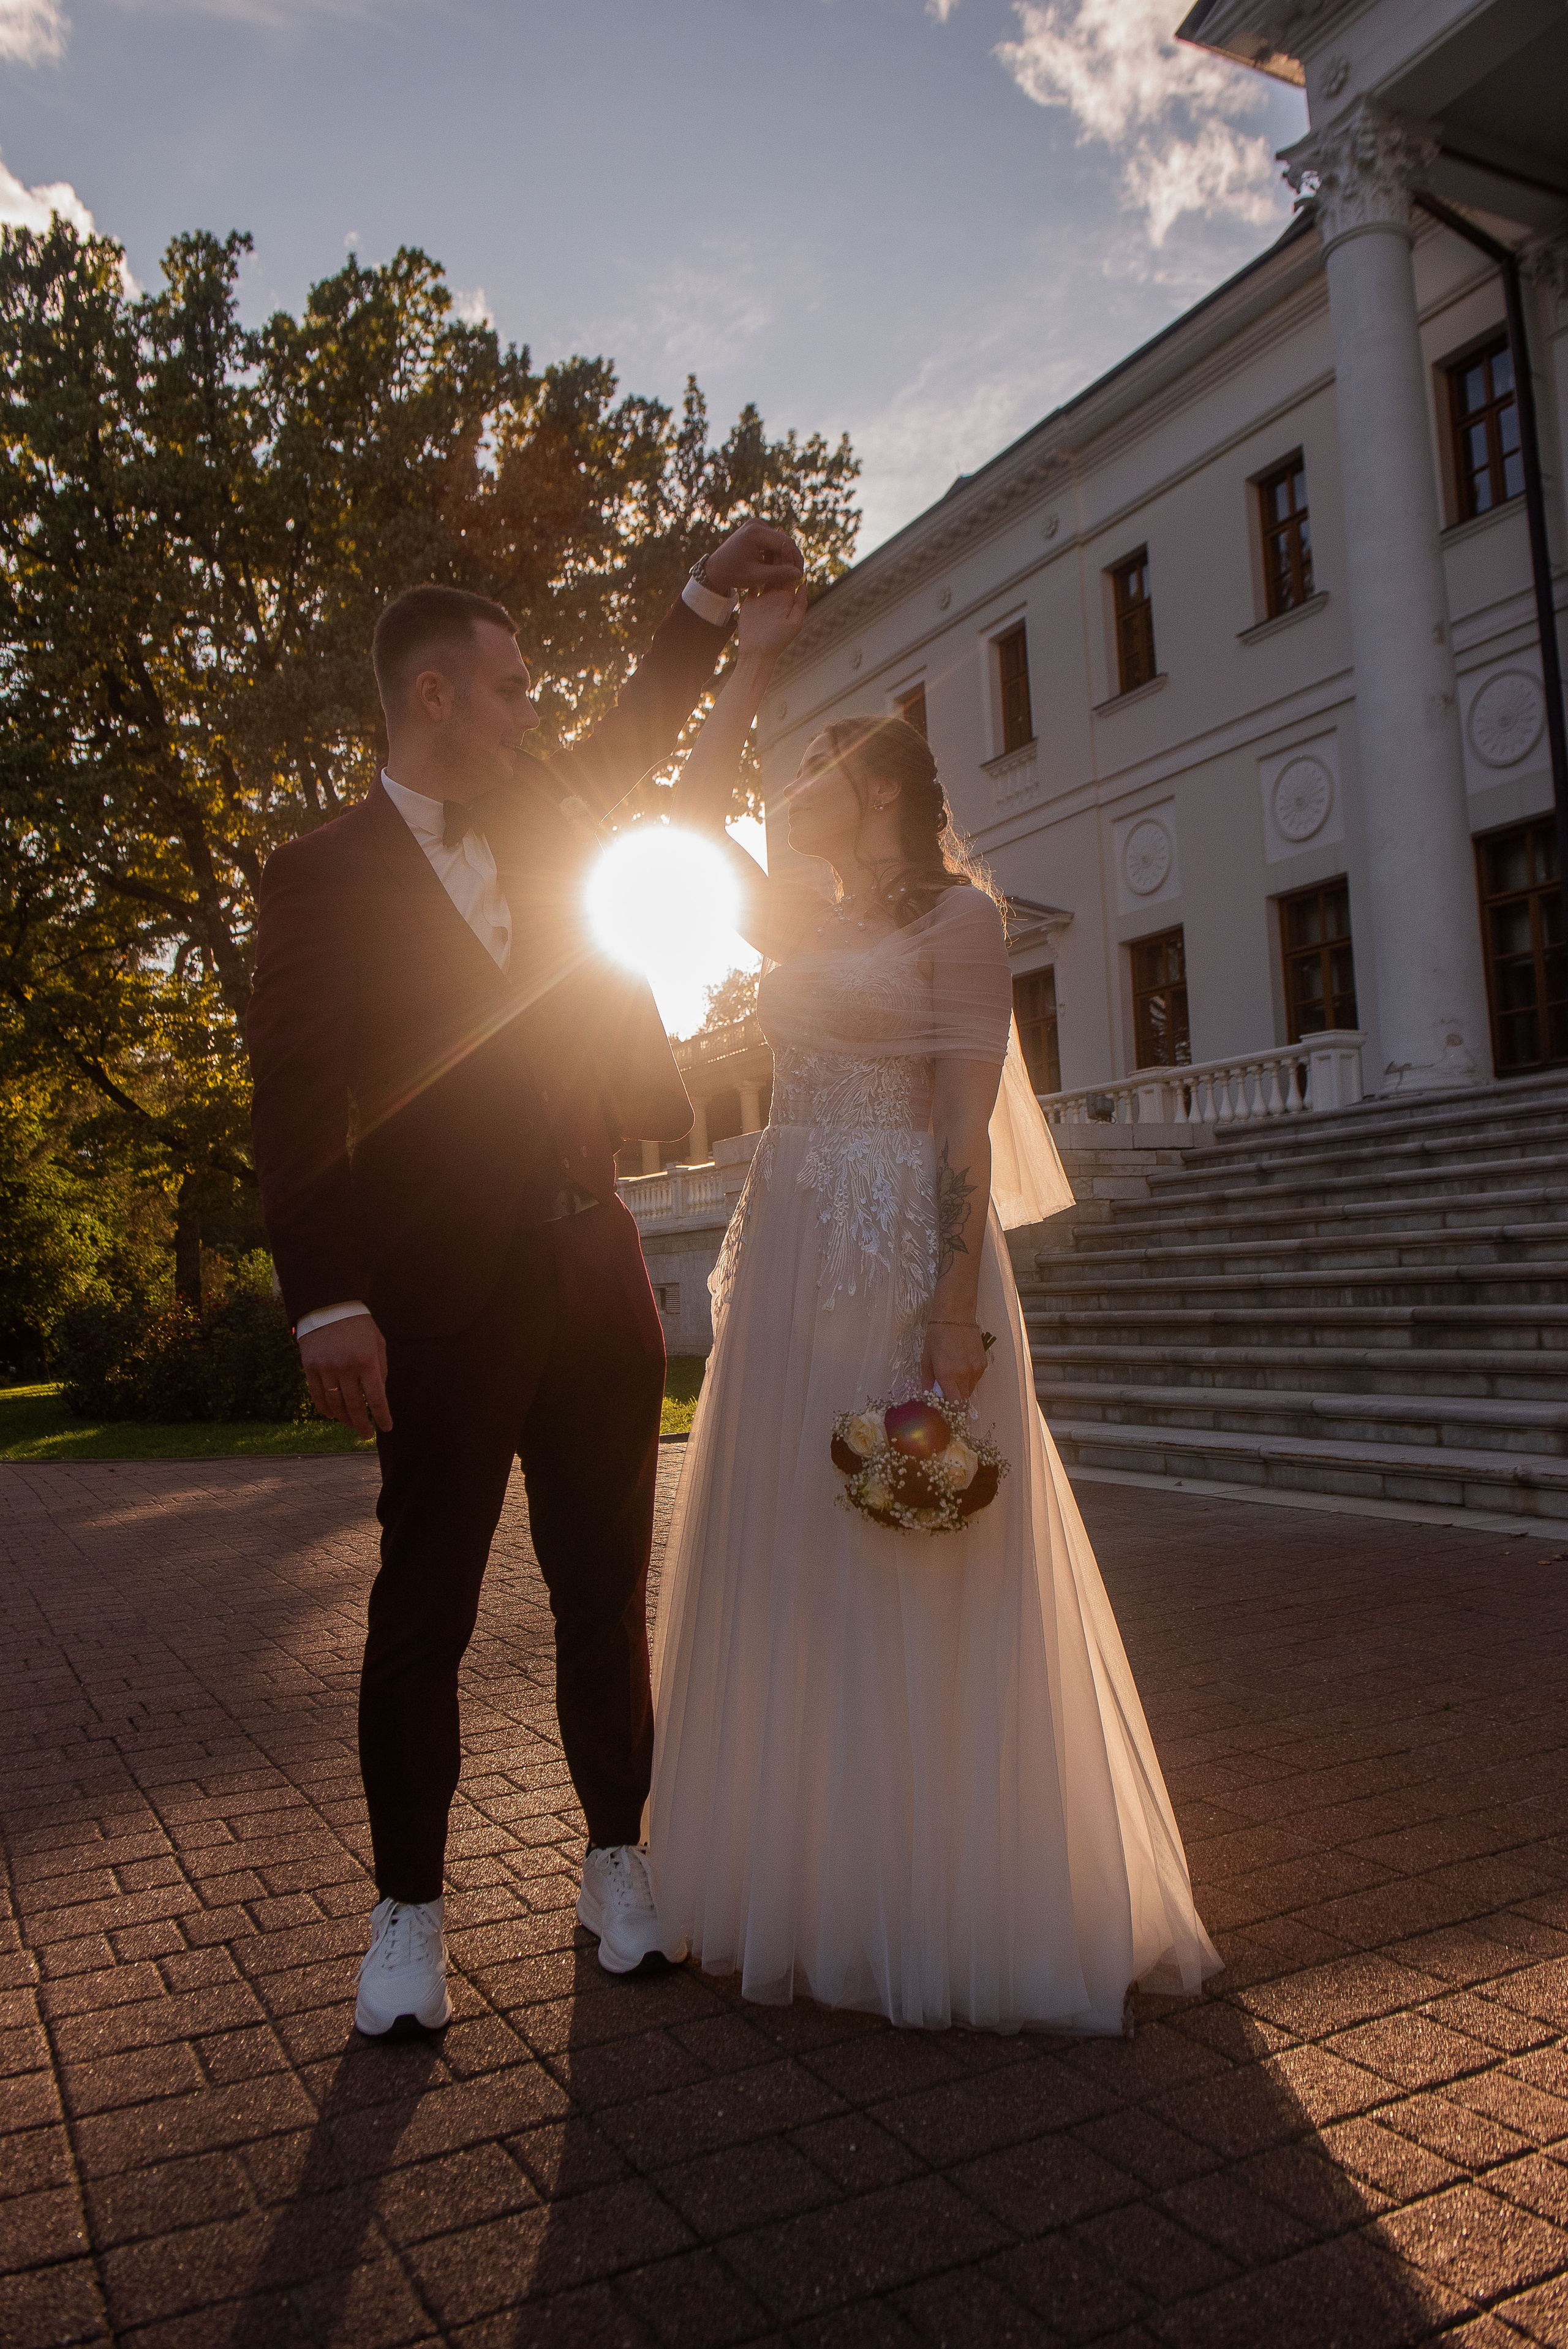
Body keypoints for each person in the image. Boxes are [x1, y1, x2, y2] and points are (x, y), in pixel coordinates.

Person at [246, 521, 804, 2037]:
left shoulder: (549, 828)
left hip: (594, 1266)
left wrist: (700, 598)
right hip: (432, 1296)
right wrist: (327, 1298)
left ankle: (615, 1862)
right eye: (505, 692)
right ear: (431, 698)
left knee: (602, 1593)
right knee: (419, 1607)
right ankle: (408, 1914)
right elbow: (296, 1104)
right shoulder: (317, 877)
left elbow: (632, 737)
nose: (528, 715)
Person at [643, 581, 1219, 2030]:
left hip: (905, 1254)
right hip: (785, 1261)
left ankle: (950, 1895)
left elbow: (963, 1127)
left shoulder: (960, 922)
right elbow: (686, 805)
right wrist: (748, 659)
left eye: (823, 773)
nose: (794, 795)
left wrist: (950, 1318)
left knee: (912, 1550)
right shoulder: (792, 913)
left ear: (883, 789)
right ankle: (818, 1881)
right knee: (792, 1553)